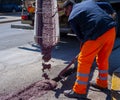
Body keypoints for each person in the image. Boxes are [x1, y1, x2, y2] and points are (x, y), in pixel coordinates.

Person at [63, 0, 116, 99]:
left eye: (65, 12)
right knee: (102, 58)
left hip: (96, 33)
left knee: (83, 61)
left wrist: (84, 47)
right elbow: (106, 4)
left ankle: (79, 90)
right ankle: (102, 83)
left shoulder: (72, 17)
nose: (66, 15)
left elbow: (80, 36)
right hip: (110, 30)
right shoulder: (89, 2)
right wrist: (112, 13)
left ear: (69, 7)